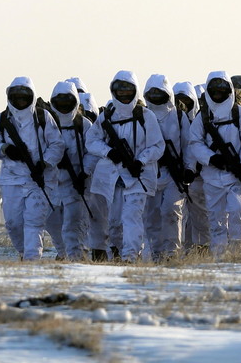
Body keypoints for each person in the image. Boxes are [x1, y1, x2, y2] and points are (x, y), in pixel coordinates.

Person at [85, 71, 163, 262]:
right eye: (120, 91)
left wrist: (140, 161)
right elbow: (91, 141)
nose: (124, 95)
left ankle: (130, 256)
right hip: (113, 178)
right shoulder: (107, 116)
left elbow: (157, 146)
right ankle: (117, 253)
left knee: (132, 216)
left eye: (128, 91)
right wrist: (108, 152)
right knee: (114, 220)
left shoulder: (146, 116)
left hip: (138, 176)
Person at [0, 77, 64, 260]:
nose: (20, 101)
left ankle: (32, 259)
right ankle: (23, 251)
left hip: (38, 179)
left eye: (24, 97)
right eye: (17, 97)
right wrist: (5, 149)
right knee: (13, 223)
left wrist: (45, 163)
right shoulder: (2, 119)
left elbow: (57, 145)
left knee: (34, 221)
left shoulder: (43, 117)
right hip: (11, 179)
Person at [187, 71, 241, 257]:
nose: (218, 93)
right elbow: (195, 142)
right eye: (214, 90)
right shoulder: (203, 117)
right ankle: (218, 255)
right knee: (216, 218)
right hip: (212, 176)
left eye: (221, 89)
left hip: (237, 176)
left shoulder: (240, 114)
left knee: (238, 210)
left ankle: (237, 252)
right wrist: (211, 158)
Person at [44, 80, 97, 260]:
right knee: (51, 222)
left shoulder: (84, 125)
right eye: (60, 100)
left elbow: (92, 152)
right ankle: (62, 252)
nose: (64, 104)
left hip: (76, 183)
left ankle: (75, 256)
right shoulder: (47, 124)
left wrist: (85, 172)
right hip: (51, 182)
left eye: (68, 100)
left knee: (72, 223)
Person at [143, 74, 191, 260]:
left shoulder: (178, 116)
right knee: (151, 215)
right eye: (152, 93)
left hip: (174, 173)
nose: (156, 96)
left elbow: (188, 145)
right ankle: (155, 254)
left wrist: (189, 169)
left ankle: (172, 253)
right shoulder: (143, 115)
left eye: (159, 92)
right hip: (150, 171)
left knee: (171, 211)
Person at [173, 81, 206, 252]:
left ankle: (202, 250)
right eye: (179, 100)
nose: (182, 104)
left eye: (186, 100)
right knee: (179, 217)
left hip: (199, 179)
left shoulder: (201, 121)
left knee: (201, 218)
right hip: (175, 178)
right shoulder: (172, 121)